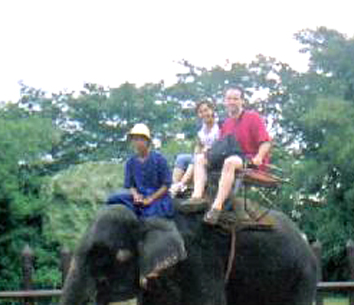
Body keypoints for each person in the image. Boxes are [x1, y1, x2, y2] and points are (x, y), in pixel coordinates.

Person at [182, 86, 271, 224]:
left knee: (230, 161)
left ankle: (216, 207)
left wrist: (259, 156)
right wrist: (208, 152)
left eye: (235, 98)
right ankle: (197, 197)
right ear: (225, 102)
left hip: (248, 158)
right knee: (200, 159)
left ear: (242, 101)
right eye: (229, 99)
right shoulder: (226, 123)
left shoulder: (252, 117)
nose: (232, 102)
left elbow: (266, 142)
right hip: (229, 157)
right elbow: (221, 146)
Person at [106, 123, 174, 218]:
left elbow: (166, 185)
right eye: (135, 139)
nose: (138, 142)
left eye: (141, 139)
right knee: (113, 199)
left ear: (147, 141)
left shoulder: (159, 159)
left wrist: (151, 199)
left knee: (150, 214)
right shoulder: (130, 162)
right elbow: (130, 185)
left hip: (157, 197)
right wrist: (135, 195)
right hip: (140, 195)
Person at [170, 99, 221, 196]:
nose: (204, 114)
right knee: (182, 158)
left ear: (212, 110)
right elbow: (198, 146)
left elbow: (223, 142)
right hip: (202, 155)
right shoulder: (201, 128)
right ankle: (175, 186)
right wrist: (197, 152)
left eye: (206, 110)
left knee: (198, 157)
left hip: (215, 156)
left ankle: (182, 184)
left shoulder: (219, 125)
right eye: (201, 112)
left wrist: (208, 150)